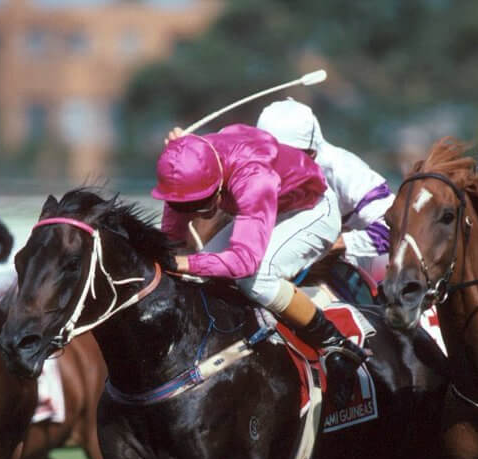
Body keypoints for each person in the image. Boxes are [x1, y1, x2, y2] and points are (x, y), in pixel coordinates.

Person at [153, 124, 366, 407]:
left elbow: (243, 262)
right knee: (198, 278)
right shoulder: (185, 172)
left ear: (215, 183)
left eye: (203, 203)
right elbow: (171, 241)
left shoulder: (253, 176)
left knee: (255, 278)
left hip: (310, 210)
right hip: (264, 207)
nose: (195, 213)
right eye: (184, 206)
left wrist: (182, 262)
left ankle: (336, 346)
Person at [256, 98, 392, 281]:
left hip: (364, 263)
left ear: (311, 152)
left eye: (285, 155)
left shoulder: (343, 169)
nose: (277, 164)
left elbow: (392, 229)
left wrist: (333, 243)